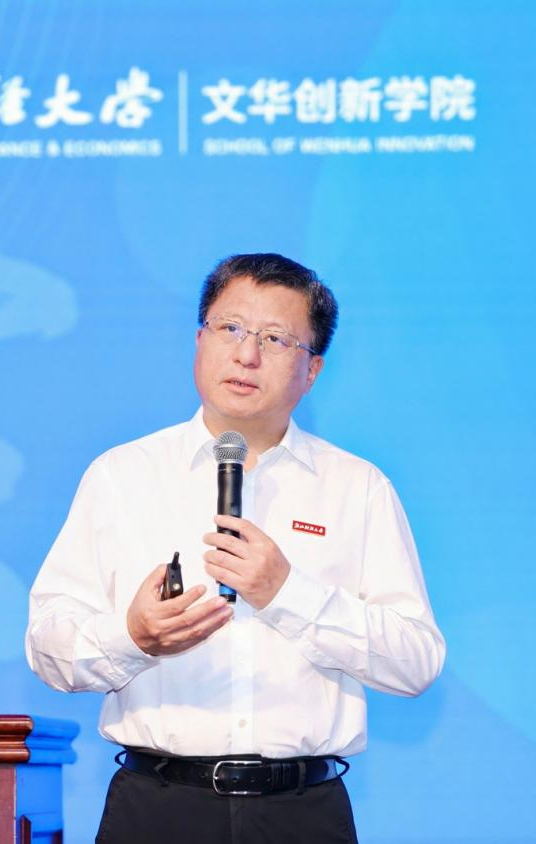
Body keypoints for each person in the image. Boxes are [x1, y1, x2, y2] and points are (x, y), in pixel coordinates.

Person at [25, 253, 445, 843]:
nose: (247, 355)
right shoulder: (121, 476)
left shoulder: (357, 488)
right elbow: (47, 647)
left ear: (313, 369)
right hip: (157, 809)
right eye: (231, 328)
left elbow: (416, 662)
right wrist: (133, 636)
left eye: (275, 339)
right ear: (200, 340)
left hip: (302, 813)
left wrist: (288, 593)